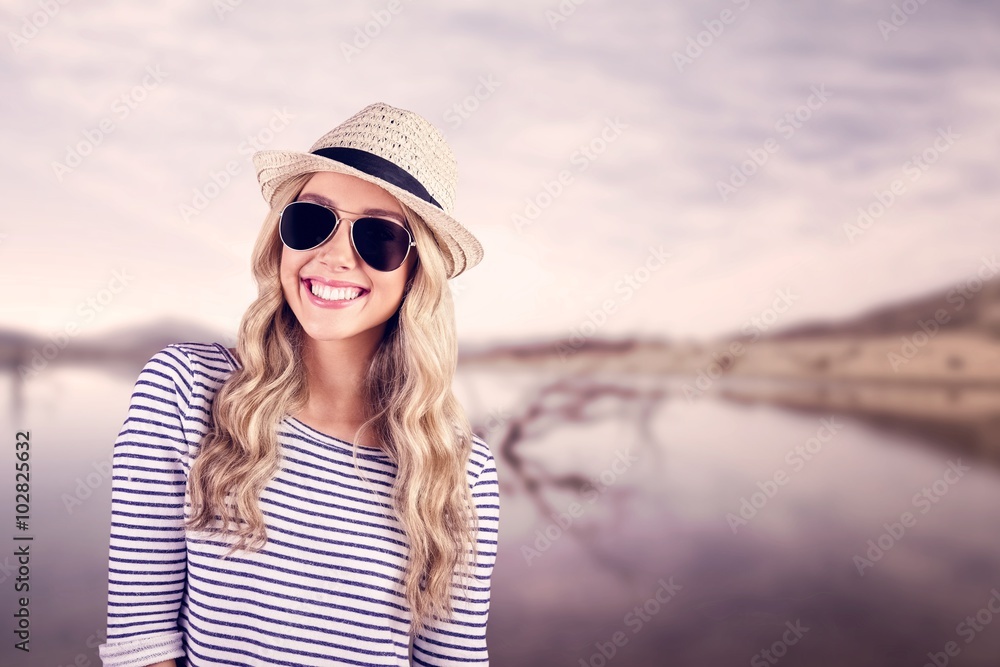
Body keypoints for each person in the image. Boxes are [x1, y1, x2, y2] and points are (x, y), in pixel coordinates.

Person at [97, 102, 500, 667]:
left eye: (378, 237)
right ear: (281, 237)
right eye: (312, 221)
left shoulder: (460, 471)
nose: (333, 255)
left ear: (417, 273)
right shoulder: (185, 392)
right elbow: (142, 645)